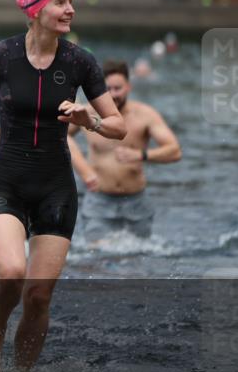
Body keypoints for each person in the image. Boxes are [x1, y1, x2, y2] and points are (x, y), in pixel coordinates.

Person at [0, 0, 125, 372]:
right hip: (7, 180)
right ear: (35, 9)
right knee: (11, 273)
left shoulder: (81, 62)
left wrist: (89, 119)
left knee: (39, 295)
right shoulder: (0, 56)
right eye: (60, 3)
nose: (70, 10)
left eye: (71, 4)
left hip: (55, 188)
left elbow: (117, 126)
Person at [68, 60, 181, 242]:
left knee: (138, 255)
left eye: (118, 88)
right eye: (108, 89)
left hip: (137, 201)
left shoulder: (145, 114)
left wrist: (142, 155)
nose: (113, 94)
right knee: (98, 254)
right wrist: (84, 170)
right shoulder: (87, 115)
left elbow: (174, 151)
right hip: (99, 202)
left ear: (128, 86)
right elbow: (61, 137)